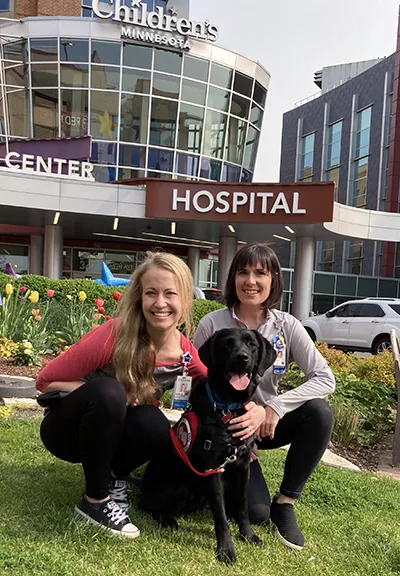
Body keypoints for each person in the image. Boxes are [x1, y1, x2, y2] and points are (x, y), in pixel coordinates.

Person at [36, 252, 207, 538]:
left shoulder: (187, 355)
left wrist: (250, 415)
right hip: (67, 433)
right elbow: (45, 381)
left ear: (186, 299)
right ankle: (95, 501)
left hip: (113, 436)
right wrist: (109, 396)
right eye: (151, 293)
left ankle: (113, 478)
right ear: (140, 298)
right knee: (110, 392)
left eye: (170, 293)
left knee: (154, 424)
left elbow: (210, 386)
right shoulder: (114, 335)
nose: (160, 303)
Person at [193, 243, 335, 551]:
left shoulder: (287, 326)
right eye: (243, 273)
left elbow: (325, 378)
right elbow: (196, 380)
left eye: (260, 273)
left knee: (319, 413)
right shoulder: (212, 324)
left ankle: (285, 503)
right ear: (232, 279)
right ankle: (222, 481)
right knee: (256, 513)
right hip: (227, 428)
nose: (251, 281)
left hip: (268, 423)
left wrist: (273, 406)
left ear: (273, 281)